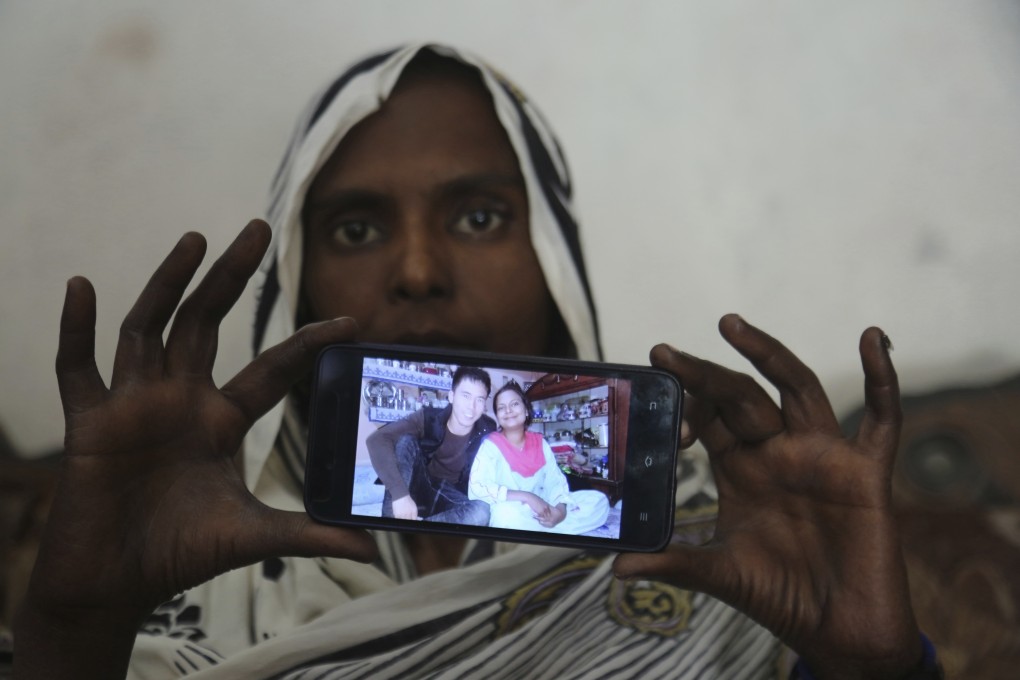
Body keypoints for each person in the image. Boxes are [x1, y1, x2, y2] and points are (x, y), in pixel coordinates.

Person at [13, 43, 941, 679]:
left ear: (557, 263)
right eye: (358, 226)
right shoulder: (185, 547)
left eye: (480, 216)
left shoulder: (721, 538)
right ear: (296, 275)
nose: (418, 270)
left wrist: (869, 669)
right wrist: (76, 629)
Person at [469, 380, 610, 534]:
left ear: (527, 410)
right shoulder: (490, 445)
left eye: (514, 404)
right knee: (504, 516)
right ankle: (549, 528)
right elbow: (477, 487)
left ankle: (548, 526)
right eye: (501, 408)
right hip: (515, 509)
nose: (508, 410)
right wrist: (528, 497)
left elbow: (555, 481)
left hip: (544, 506)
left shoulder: (540, 442)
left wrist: (560, 512)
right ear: (498, 416)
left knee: (599, 501)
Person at [367, 366, 495, 525]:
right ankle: (389, 525)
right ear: (451, 396)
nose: (472, 406)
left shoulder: (488, 429)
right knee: (405, 441)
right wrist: (400, 494)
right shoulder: (428, 417)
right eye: (466, 396)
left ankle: (414, 534)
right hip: (416, 484)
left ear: (484, 404)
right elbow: (377, 440)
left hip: (449, 495)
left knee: (482, 511)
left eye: (480, 399)